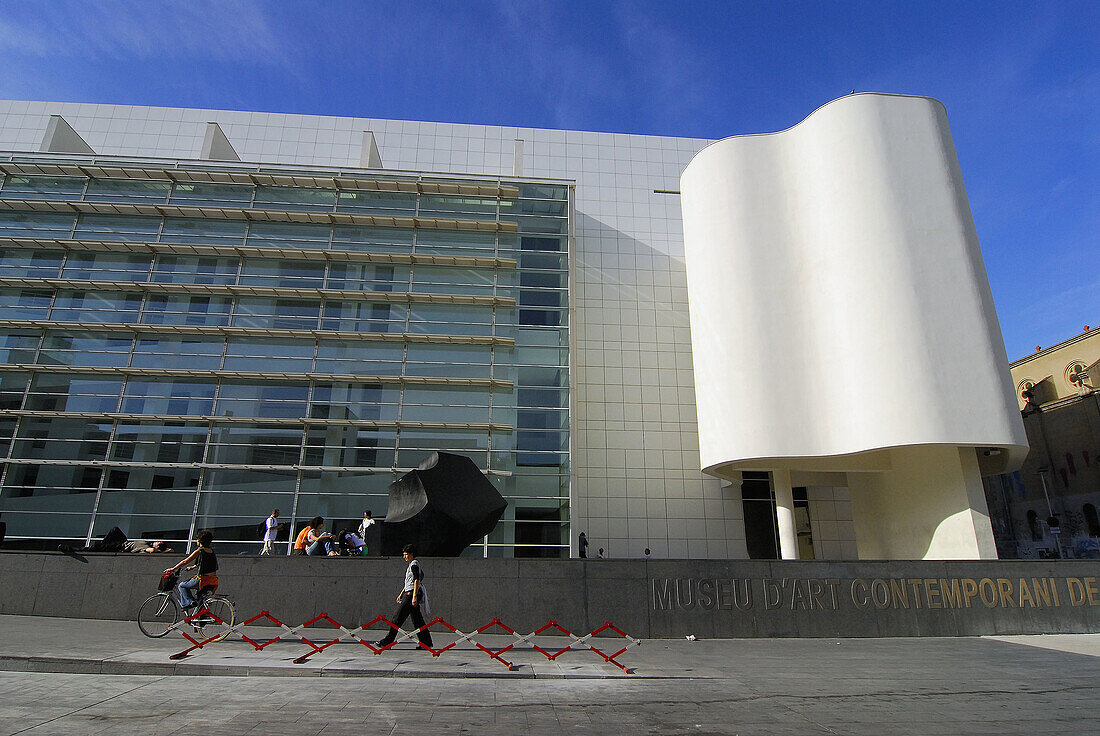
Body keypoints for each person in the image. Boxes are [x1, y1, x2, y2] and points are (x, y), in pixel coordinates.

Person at [374, 544, 433, 650]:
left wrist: (414, 596)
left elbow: (416, 580)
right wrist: (401, 594)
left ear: (411, 554)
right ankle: (426, 642)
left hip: (411, 595)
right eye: (404, 554)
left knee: (397, 618)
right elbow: (411, 581)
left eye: (406, 554)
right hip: (410, 593)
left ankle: (387, 642)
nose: (404, 556)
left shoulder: (414, 564)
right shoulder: (413, 564)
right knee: (417, 620)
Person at [164, 529, 218, 613]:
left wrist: (173, 568)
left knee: (182, 585)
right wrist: (193, 567)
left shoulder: (199, 551)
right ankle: (199, 619)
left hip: (203, 580)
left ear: (200, 540)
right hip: (213, 580)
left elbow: (185, 561)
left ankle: (189, 602)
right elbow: (207, 564)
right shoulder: (211, 551)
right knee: (200, 598)